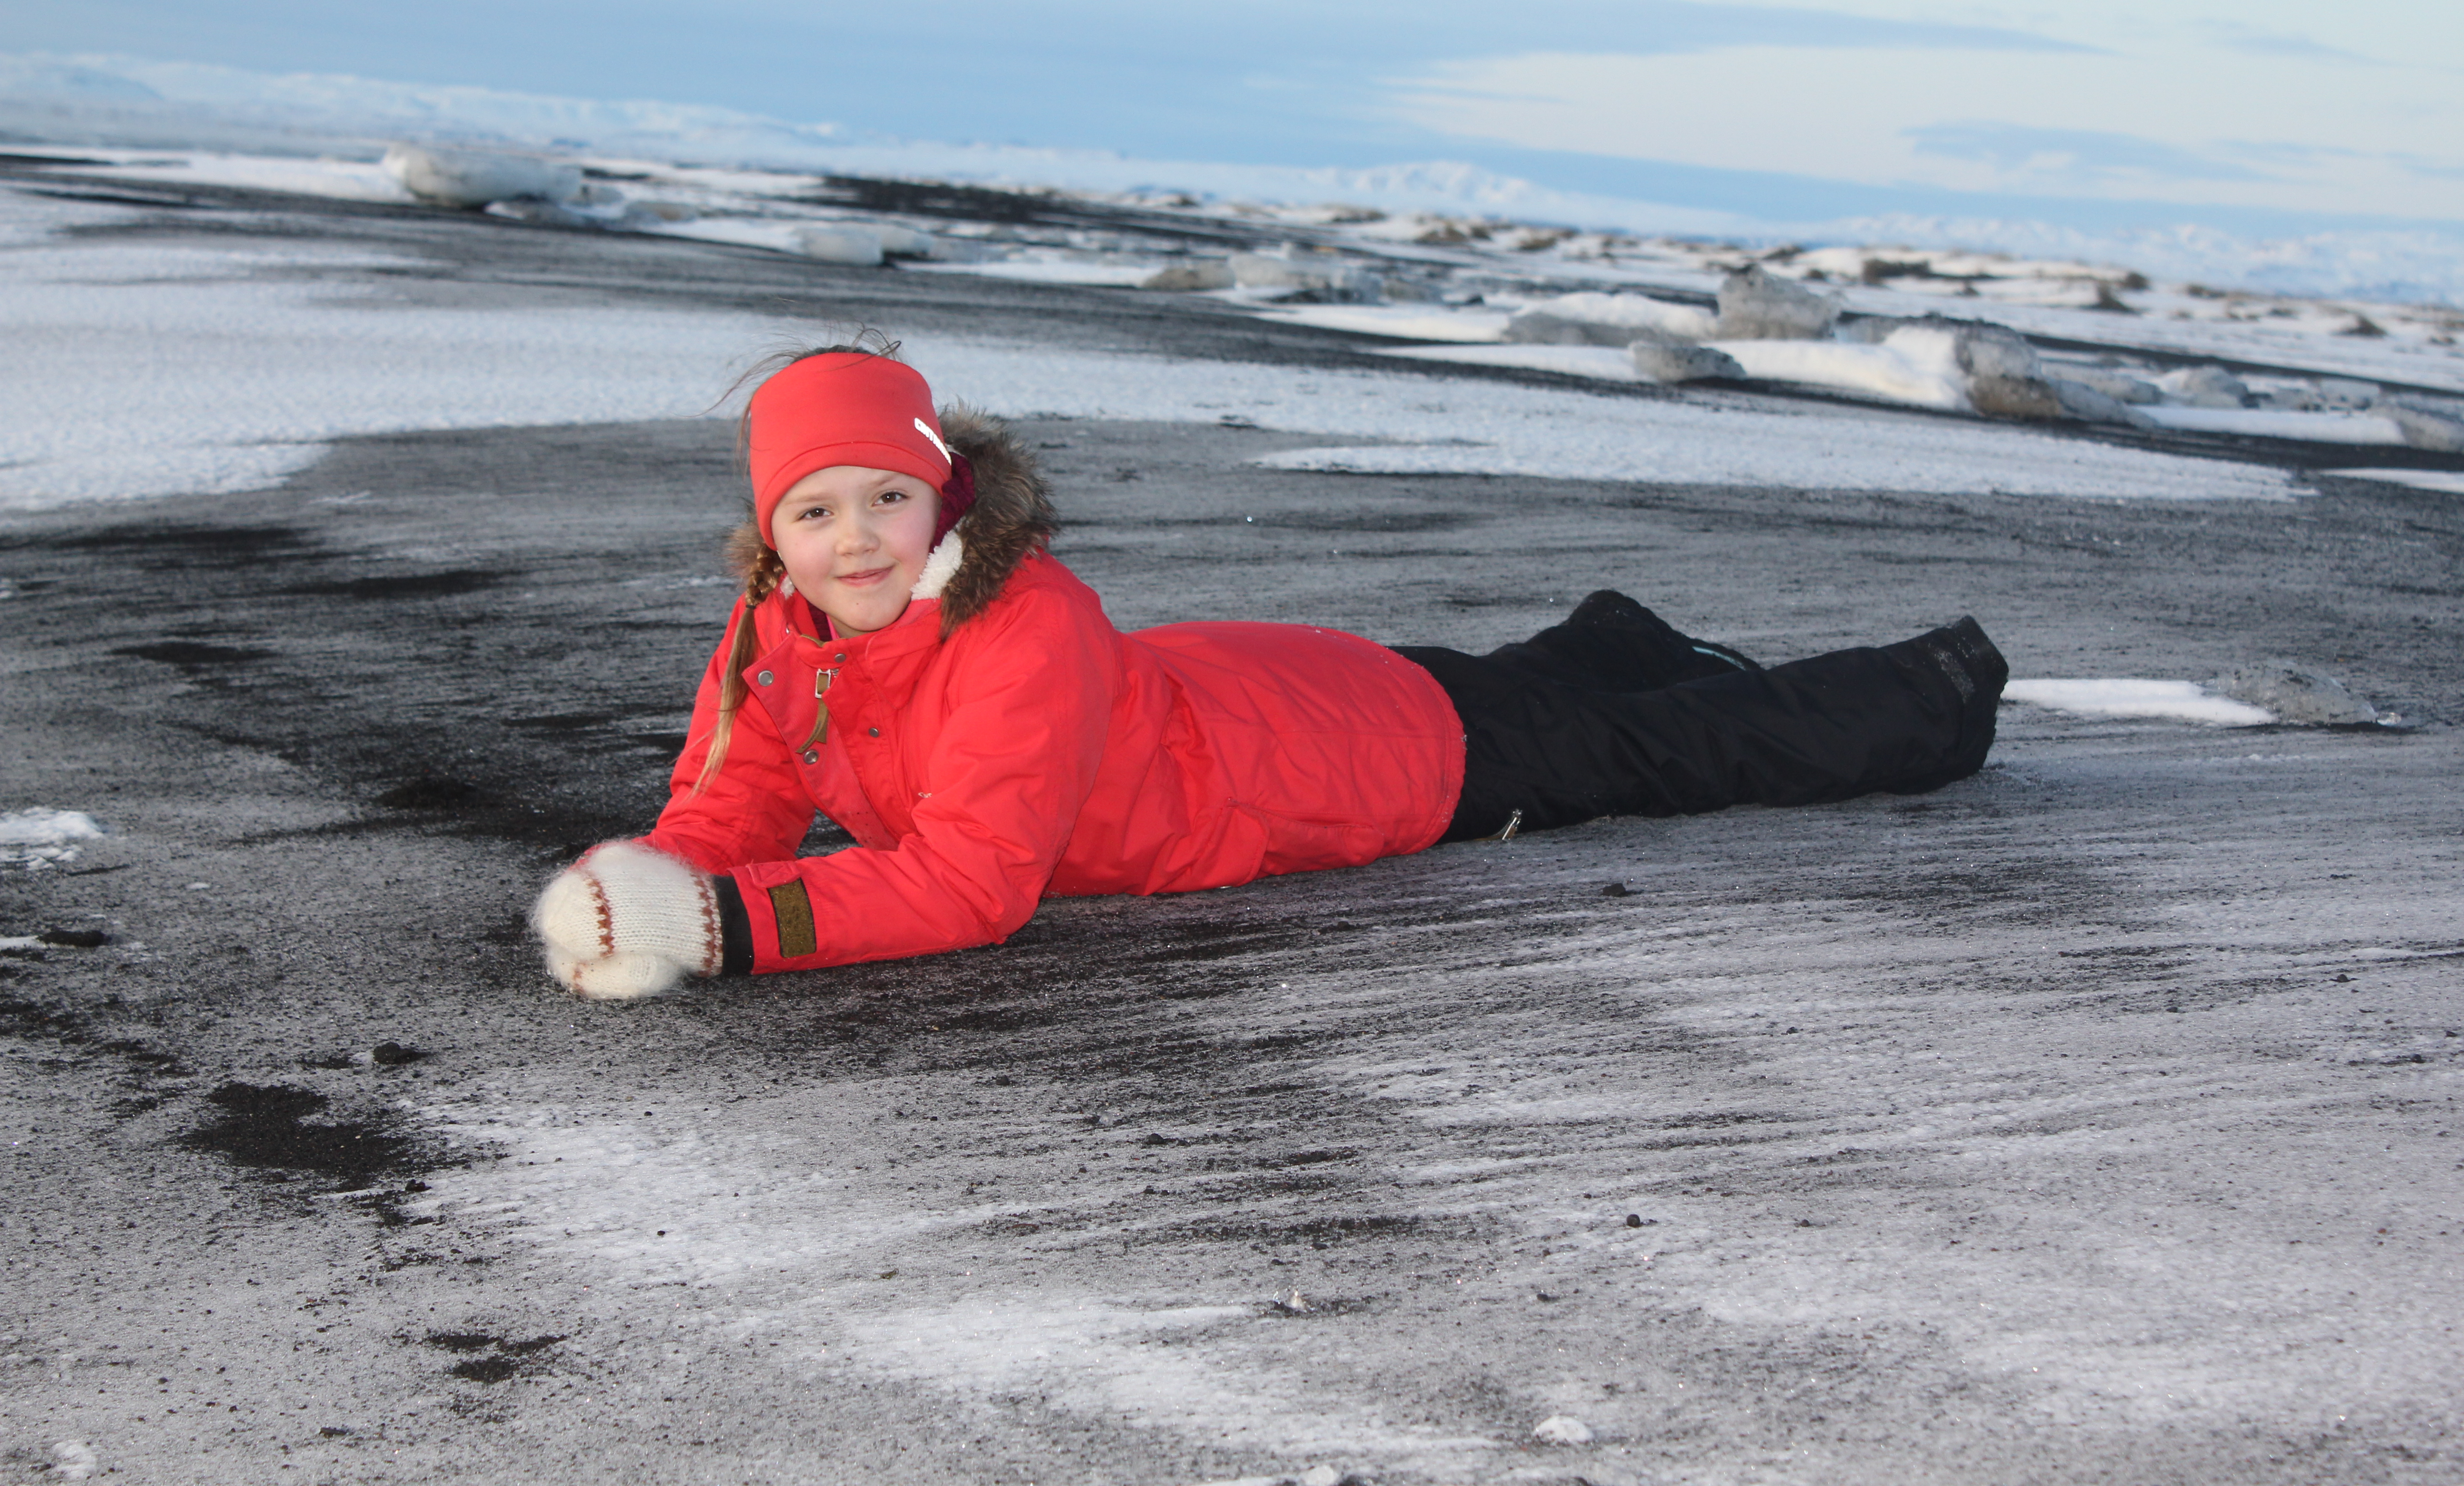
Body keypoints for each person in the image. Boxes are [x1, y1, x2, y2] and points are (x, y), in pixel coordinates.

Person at [534, 342, 2007, 999]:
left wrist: (727, 929)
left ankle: (1934, 687)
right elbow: (733, 804)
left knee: (1661, 758)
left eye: (884, 500)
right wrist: (651, 896)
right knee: (1542, 692)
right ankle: (1615, 642)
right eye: (814, 511)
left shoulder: (1022, 620)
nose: (852, 539)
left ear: (945, 504)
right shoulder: (773, 635)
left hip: (1363, 758)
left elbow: (977, 884)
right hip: (1254, 684)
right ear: (772, 536)